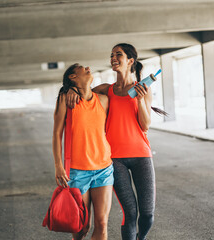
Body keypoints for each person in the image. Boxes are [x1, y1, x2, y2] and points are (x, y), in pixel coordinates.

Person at [67, 43, 164, 240]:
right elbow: (83, 92)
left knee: (147, 215)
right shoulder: (106, 90)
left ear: (130, 61)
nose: (113, 57)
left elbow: (145, 126)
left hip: (141, 156)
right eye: (111, 54)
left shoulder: (143, 89)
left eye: (118, 54)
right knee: (130, 213)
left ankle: (140, 238)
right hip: (114, 159)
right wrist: (71, 91)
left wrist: (139, 100)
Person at [52, 63, 114, 240]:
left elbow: (119, 88)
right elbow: (57, 134)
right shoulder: (65, 100)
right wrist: (58, 166)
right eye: (80, 67)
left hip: (104, 168)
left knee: (102, 224)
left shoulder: (103, 100)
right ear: (72, 77)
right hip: (77, 172)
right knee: (82, 227)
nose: (87, 67)